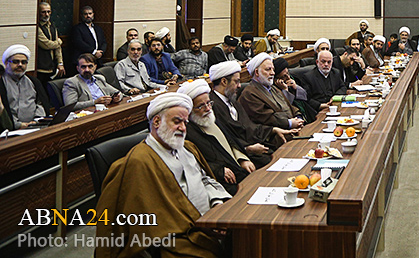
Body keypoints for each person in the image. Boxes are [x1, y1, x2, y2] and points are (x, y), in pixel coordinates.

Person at [94, 92, 230, 258]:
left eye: (185, 122)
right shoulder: (139, 162)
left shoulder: (187, 148)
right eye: (177, 121)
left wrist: (217, 204)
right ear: (157, 122)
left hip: (212, 220)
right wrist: (199, 224)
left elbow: (205, 180)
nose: (183, 128)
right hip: (180, 237)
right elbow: (144, 220)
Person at [180, 79, 255, 195]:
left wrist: (242, 159)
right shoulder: (187, 133)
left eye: (208, 103)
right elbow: (196, 163)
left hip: (238, 168)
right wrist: (219, 170)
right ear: (189, 111)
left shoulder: (211, 118)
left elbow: (231, 142)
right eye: (201, 106)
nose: (208, 108)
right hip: (221, 180)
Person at [209, 61, 294, 161]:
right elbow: (226, 138)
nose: (239, 86)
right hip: (240, 157)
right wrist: (247, 148)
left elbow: (250, 127)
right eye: (236, 81)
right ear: (224, 82)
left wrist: (273, 130)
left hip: (255, 148)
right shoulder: (212, 107)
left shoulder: (233, 101)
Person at [239, 54, 305, 130]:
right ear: (257, 72)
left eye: (273, 69)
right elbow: (267, 118)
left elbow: (289, 106)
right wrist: (290, 123)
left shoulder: (273, 88)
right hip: (278, 133)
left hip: (293, 127)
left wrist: (298, 117)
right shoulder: (249, 94)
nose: (273, 73)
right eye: (268, 69)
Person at [0, 45, 50, 129]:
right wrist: (18, 125)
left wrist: (36, 121)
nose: (20, 65)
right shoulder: (1, 83)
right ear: (6, 63)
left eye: (23, 62)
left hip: (35, 127)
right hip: (10, 129)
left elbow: (40, 103)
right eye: (15, 62)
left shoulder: (33, 81)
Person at [273, 57, 317, 122]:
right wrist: (285, 90)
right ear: (276, 79)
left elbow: (305, 97)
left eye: (287, 73)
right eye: (284, 76)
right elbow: (287, 107)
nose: (288, 77)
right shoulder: (274, 89)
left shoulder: (293, 78)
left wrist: (296, 87)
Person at [35, 2, 64, 86]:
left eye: (48, 12)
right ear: (38, 12)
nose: (46, 14)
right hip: (41, 67)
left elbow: (58, 48)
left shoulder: (52, 26)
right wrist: (59, 42)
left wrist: (60, 63)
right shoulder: (37, 27)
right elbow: (46, 45)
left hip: (53, 66)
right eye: (43, 12)